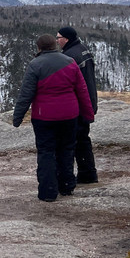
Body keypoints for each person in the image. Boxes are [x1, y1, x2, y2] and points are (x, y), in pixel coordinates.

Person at [12, 34, 95, 202]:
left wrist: (18, 117)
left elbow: (26, 94)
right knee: (66, 150)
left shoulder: (35, 65)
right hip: (69, 115)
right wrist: (88, 114)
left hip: (45, 117)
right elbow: (82, 91)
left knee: (46, 152)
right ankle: (66, 187)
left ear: (39, 48)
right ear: (54, 46)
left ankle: (48, 192)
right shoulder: (70, 62)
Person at [57, 26, 99, 184]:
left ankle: (86, 174)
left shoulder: (69, 56)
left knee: (76, 140)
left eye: (58, 37)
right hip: (89, 100)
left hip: (79, 104)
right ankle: (88, 173)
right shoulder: (83, 49)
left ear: (66, 39)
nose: (57, 40)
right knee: (83, 139)